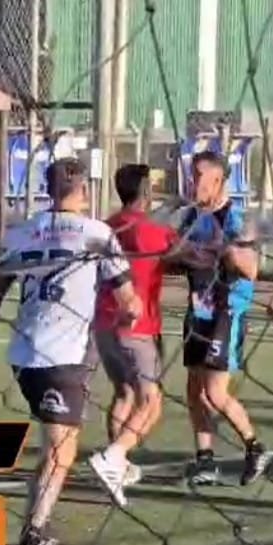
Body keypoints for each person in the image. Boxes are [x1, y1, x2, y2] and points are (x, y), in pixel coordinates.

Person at [0, 157, 142, 545]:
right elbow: (130, 303)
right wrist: (126, 317)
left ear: (47, 189)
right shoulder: (98, 234)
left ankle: (35, 531)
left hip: (24, 355)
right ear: (85, 190)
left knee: (55, 449)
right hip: (62, 357)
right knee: (60, 454)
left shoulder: (21, 233)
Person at [87, 164, 177, 506]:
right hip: (137, 324)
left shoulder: (107, 226)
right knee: (151, 400)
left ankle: (118, 467)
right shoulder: (153, 230)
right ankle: (113, 457)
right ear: (147, 192)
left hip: (104, 323)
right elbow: (185, 253)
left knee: (124, 393)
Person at [178, 150, 268, 487]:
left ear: (218, 180)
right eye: (191, 176)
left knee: (215, 392)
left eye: (198, 177)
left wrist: (227, 249)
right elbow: (176, 257)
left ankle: (255, 447)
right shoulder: (191, 217)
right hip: (197, 310)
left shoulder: (236, 219)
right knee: (194, 391)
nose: (192, 183)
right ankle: (205, 460)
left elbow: (251, 269)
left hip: (225, 312)